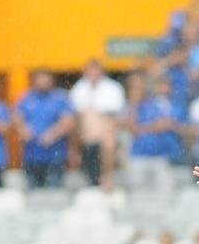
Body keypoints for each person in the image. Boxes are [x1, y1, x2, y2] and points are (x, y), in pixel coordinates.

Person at [70, 60, 126, 191]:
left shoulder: (113, 88)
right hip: (84, 132)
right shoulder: (79, 88)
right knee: (86, 118)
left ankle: (107, 177)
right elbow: (77, 116)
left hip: (108, 130)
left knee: (106, 135)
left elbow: (115, 116)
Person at [15, 69, 74, 189]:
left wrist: (53, 134)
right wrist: (24, 130)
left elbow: (69, 121)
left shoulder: (60, 98)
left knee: (54, 193)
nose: (43, 83)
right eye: (40, 79)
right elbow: (17, 118)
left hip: (55, 156)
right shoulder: (26, 98)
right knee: (33, 193)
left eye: (46, 80)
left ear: (52, 81)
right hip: (31, 156)